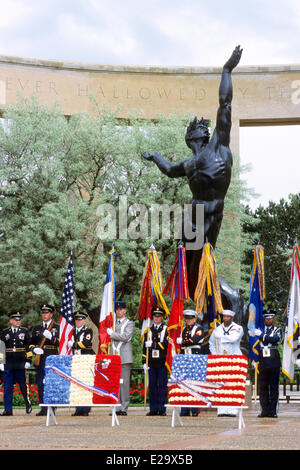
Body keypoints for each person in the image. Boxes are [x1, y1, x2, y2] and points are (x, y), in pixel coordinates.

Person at [142, 46, 243, 300]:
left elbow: (225, 103)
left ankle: (228, 298)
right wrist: (155, 156)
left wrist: (226, 70)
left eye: (195, 130)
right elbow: (168, 169)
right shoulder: (189, 164)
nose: (194, 132)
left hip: (211, 212)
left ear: (197, 136)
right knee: (186, 266)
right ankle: (191, 311)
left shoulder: (218, 146)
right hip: (193, 214)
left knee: (204, 262)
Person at [209, 309, 244, 417]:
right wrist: (216, 355)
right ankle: (222, 409)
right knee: (221, 385)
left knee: (233, 385)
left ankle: (233, 410)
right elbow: (211, 344)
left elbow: (234, 339)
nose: (226, 319)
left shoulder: (238, 328)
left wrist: (220, 337)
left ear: (232, 318)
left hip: (234, 359)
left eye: (228, 317)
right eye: (224, 317)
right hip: (221, 360)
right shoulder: (217, 329)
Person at [177, 309, 209, 417]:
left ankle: (195, 409)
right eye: (187, 318)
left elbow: (194, 340)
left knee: (194, 383)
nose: (188, 320)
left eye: (191, 318)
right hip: (185, 357)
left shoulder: (199, 328)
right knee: (184, 383)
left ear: (195, 319)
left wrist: (181, 342)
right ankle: (185, 409)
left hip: (195, 357)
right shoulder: (184, 329)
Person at [0, 311, 32, 416]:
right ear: (11, 321)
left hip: (20, 363)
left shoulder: (25, 331)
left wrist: (28, 360)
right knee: (8, 387)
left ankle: (28, 404)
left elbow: (29, 347)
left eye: (19, 320)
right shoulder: (5, 332)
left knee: (23, 385)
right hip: (8, 363)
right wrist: (1, 361)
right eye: (16, 320)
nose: (18, 321)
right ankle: (8, 409)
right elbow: (1, 348)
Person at [30, 304, 59, 416]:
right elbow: (31, 343)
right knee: (40, 382)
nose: (44, 315)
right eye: (43, 312)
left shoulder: (57, 327)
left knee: (52, 383)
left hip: (52, 357)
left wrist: (52, 337)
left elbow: (62, 343)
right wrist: (34, 349)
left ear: (51, 314)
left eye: (47, 313)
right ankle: (43, 407)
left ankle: (52, 407)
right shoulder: (37, 328)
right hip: (40, 358)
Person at [107, 300, 134, 416]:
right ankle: (116, 406)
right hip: (114, 357)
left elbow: (126, 336)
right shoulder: (113, 324)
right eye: (117, 309)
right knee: (115, 383)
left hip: (124, 357)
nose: (119, 311)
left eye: (121, 309)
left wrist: (112, 334)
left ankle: (124, 407)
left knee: (124, 383)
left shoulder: (129, 323)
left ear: (125, 310)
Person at [255, 309, 282, 418]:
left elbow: (275, 339)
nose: (268, 320)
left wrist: (262, 336)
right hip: (263, 360)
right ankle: (264, 410)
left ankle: (273, 411)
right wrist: (266, 338)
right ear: (264, 319)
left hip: (273, 361)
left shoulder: (277, 329)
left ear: (273, 319)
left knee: (274, 387)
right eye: (266, 318)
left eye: (270, 318)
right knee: (263, 387)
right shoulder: (260, 329)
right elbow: (267, 340)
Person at [142, 307, 169, 416]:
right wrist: (144, 361)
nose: (156, 318)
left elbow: (166, 344)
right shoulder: (148, 331)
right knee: (152, 386)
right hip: (152, 362)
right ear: (152, 317)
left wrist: (153, 344)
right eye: (155, 316)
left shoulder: (166, 329)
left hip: (162, 362)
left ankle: (162, 409)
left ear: (162, 318)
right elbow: (144, 348)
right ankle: (153, 408)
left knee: (162, 386)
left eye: (159, 316)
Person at [68, 311, 95, 416]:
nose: (78, 321)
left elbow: (86, 343)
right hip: (75, 361)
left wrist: (73, 344)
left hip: (85, 360)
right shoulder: (71, 331)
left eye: (80, 319)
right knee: (76, 385)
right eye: (76, 319)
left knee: (86, 384)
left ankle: (86, 409)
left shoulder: (88, 331)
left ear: (84, 320)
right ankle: (78, 408)